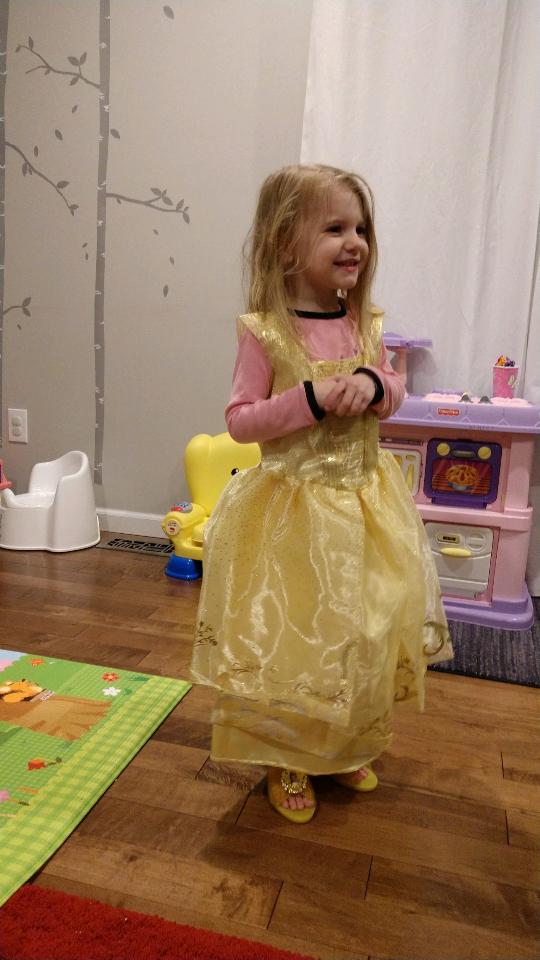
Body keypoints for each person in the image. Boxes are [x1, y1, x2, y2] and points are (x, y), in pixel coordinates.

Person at [190, 163, 452, 824]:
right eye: (335, 228)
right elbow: (241, 420)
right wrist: (308, 398)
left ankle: (344, 744)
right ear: (286, 243)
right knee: (298, 641)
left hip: (365, 507)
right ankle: (289, 755)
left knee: (362, 633)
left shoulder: (366, 323)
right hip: (295, 517)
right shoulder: (265, 331)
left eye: (360, 227)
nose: (354, 241)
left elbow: (396, 391)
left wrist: (376, 384)